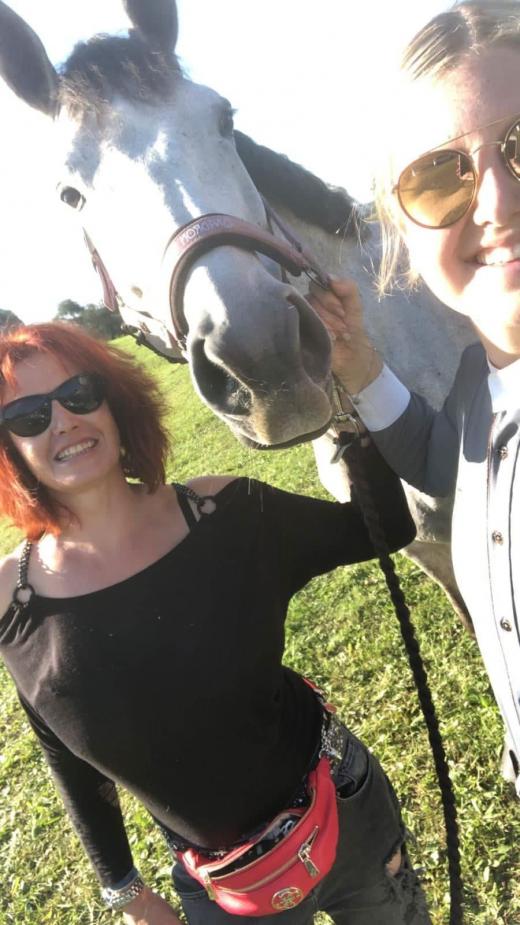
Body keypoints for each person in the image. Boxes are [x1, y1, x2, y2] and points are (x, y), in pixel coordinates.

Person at [0, 321, 430, 924]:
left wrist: (348, 397)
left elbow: (382, 526)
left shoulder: (226, 513)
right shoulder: (11, 600)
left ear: (114, 402)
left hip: (344, 807)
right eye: (28, 417)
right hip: (224, 882)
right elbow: (62, 749)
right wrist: (124, 889)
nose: (64, 421)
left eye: (79, 394)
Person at [310, 0, 520, 799]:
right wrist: (360, 365)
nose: (496, 203)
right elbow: (444, 463)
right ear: (401, 227)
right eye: (439, 176)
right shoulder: (478, 381)